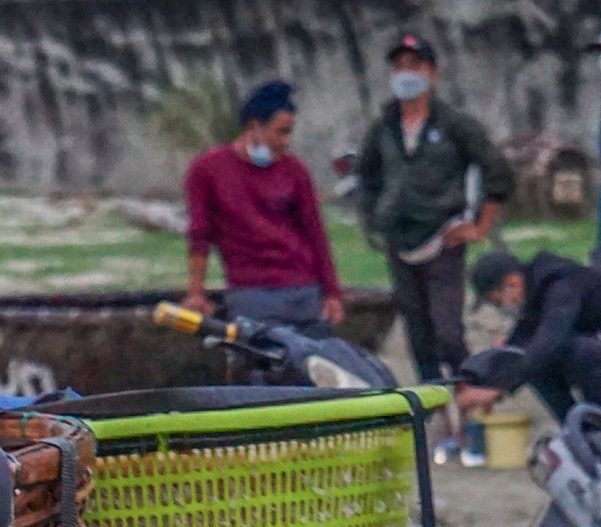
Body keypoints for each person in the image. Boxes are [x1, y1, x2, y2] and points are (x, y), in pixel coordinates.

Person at [355, 35, 514, 388]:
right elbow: (365, 174)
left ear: (432, 74)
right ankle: (435, 414)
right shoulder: (384, 127)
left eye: (415, 66)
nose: (406, 75)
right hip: (399, 241)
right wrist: (373, 217)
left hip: (444, 239)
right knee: (418, 335)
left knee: (448, 335)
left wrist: (480, 226)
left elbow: (497, 171)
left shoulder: (455, 124)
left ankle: (473, 396)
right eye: (399, 67)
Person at [182, 79, 344, 335]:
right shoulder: (207, 170)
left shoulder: (294, 170)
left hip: (303, 290)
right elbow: (200, 234)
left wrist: (332, 292)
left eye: (288, 133)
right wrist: (196, 291)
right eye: (280, 132)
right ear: (254, 127)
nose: (285, 142)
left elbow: (314, 232)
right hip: (252, 293)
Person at [458, 249, 601, 420]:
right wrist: (486, 379)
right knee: (534, 364)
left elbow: (551, 340)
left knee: (580, 350)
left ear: (513, 283)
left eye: (498, 302)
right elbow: (520, 344)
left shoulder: (562, 285)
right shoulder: (536, 290)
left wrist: (497, 389)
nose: (503, 307)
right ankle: (577, 429)